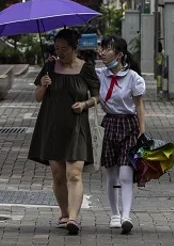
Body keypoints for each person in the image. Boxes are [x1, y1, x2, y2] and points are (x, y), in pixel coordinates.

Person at [28, 29, 101, 235]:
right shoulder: (50, 67)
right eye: (57, 48)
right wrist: (43, 85)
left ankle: (74, 218)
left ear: (74, 47)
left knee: (74, 174)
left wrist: (85, 104)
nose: (60, 53)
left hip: (77, 126)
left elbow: (97, 97)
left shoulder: (86, 69)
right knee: (58, 175)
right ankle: (64, 212)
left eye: (64, 49)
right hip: (51, 126)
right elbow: (38, 97)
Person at [96, 35, 146, 234]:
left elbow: (139, 105)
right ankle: (114, 214)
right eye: (102, 49)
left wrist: (142, 130)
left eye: (107, 49)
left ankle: (126, 215)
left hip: (128, 125)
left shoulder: (133, 78)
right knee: (112, 173)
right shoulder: (99, 75)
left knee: (126, 173)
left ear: (119, 54)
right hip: (109, 123)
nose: (102, 53)